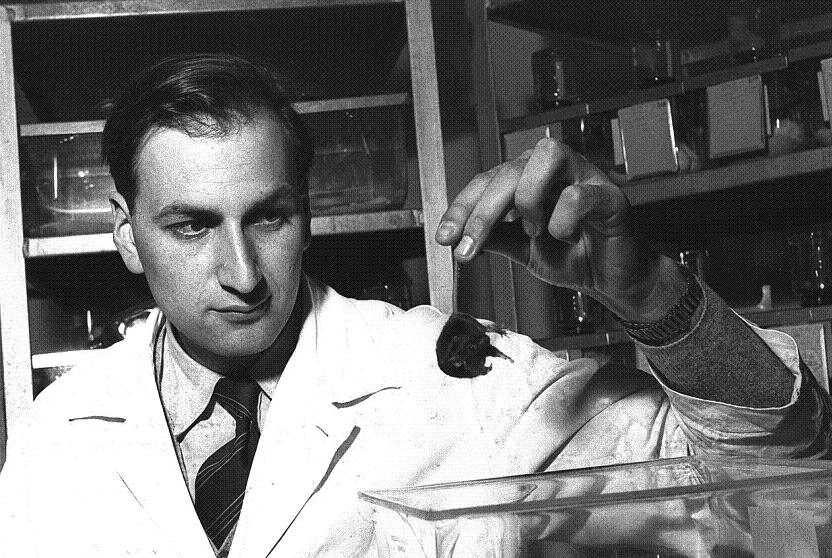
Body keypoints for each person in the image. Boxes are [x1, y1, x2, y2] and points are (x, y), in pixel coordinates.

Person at [0, 53, 829, 558]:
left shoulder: (455, 382)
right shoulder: (60, 435)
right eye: (191, 226)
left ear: (308, 214)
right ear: (126, 233)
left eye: (269, 217)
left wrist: (645, 290)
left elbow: (774, 487)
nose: (243, 273)